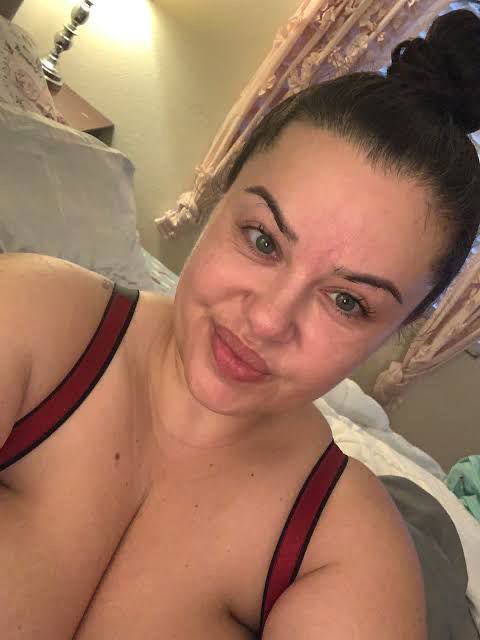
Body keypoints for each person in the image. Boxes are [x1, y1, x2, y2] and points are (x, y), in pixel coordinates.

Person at [1, 8, 480, 640]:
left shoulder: (351, 557)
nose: (268, 319)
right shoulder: (29, 319)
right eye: (262, 239)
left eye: (347, 302)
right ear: (222, 196)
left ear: (395, 330)